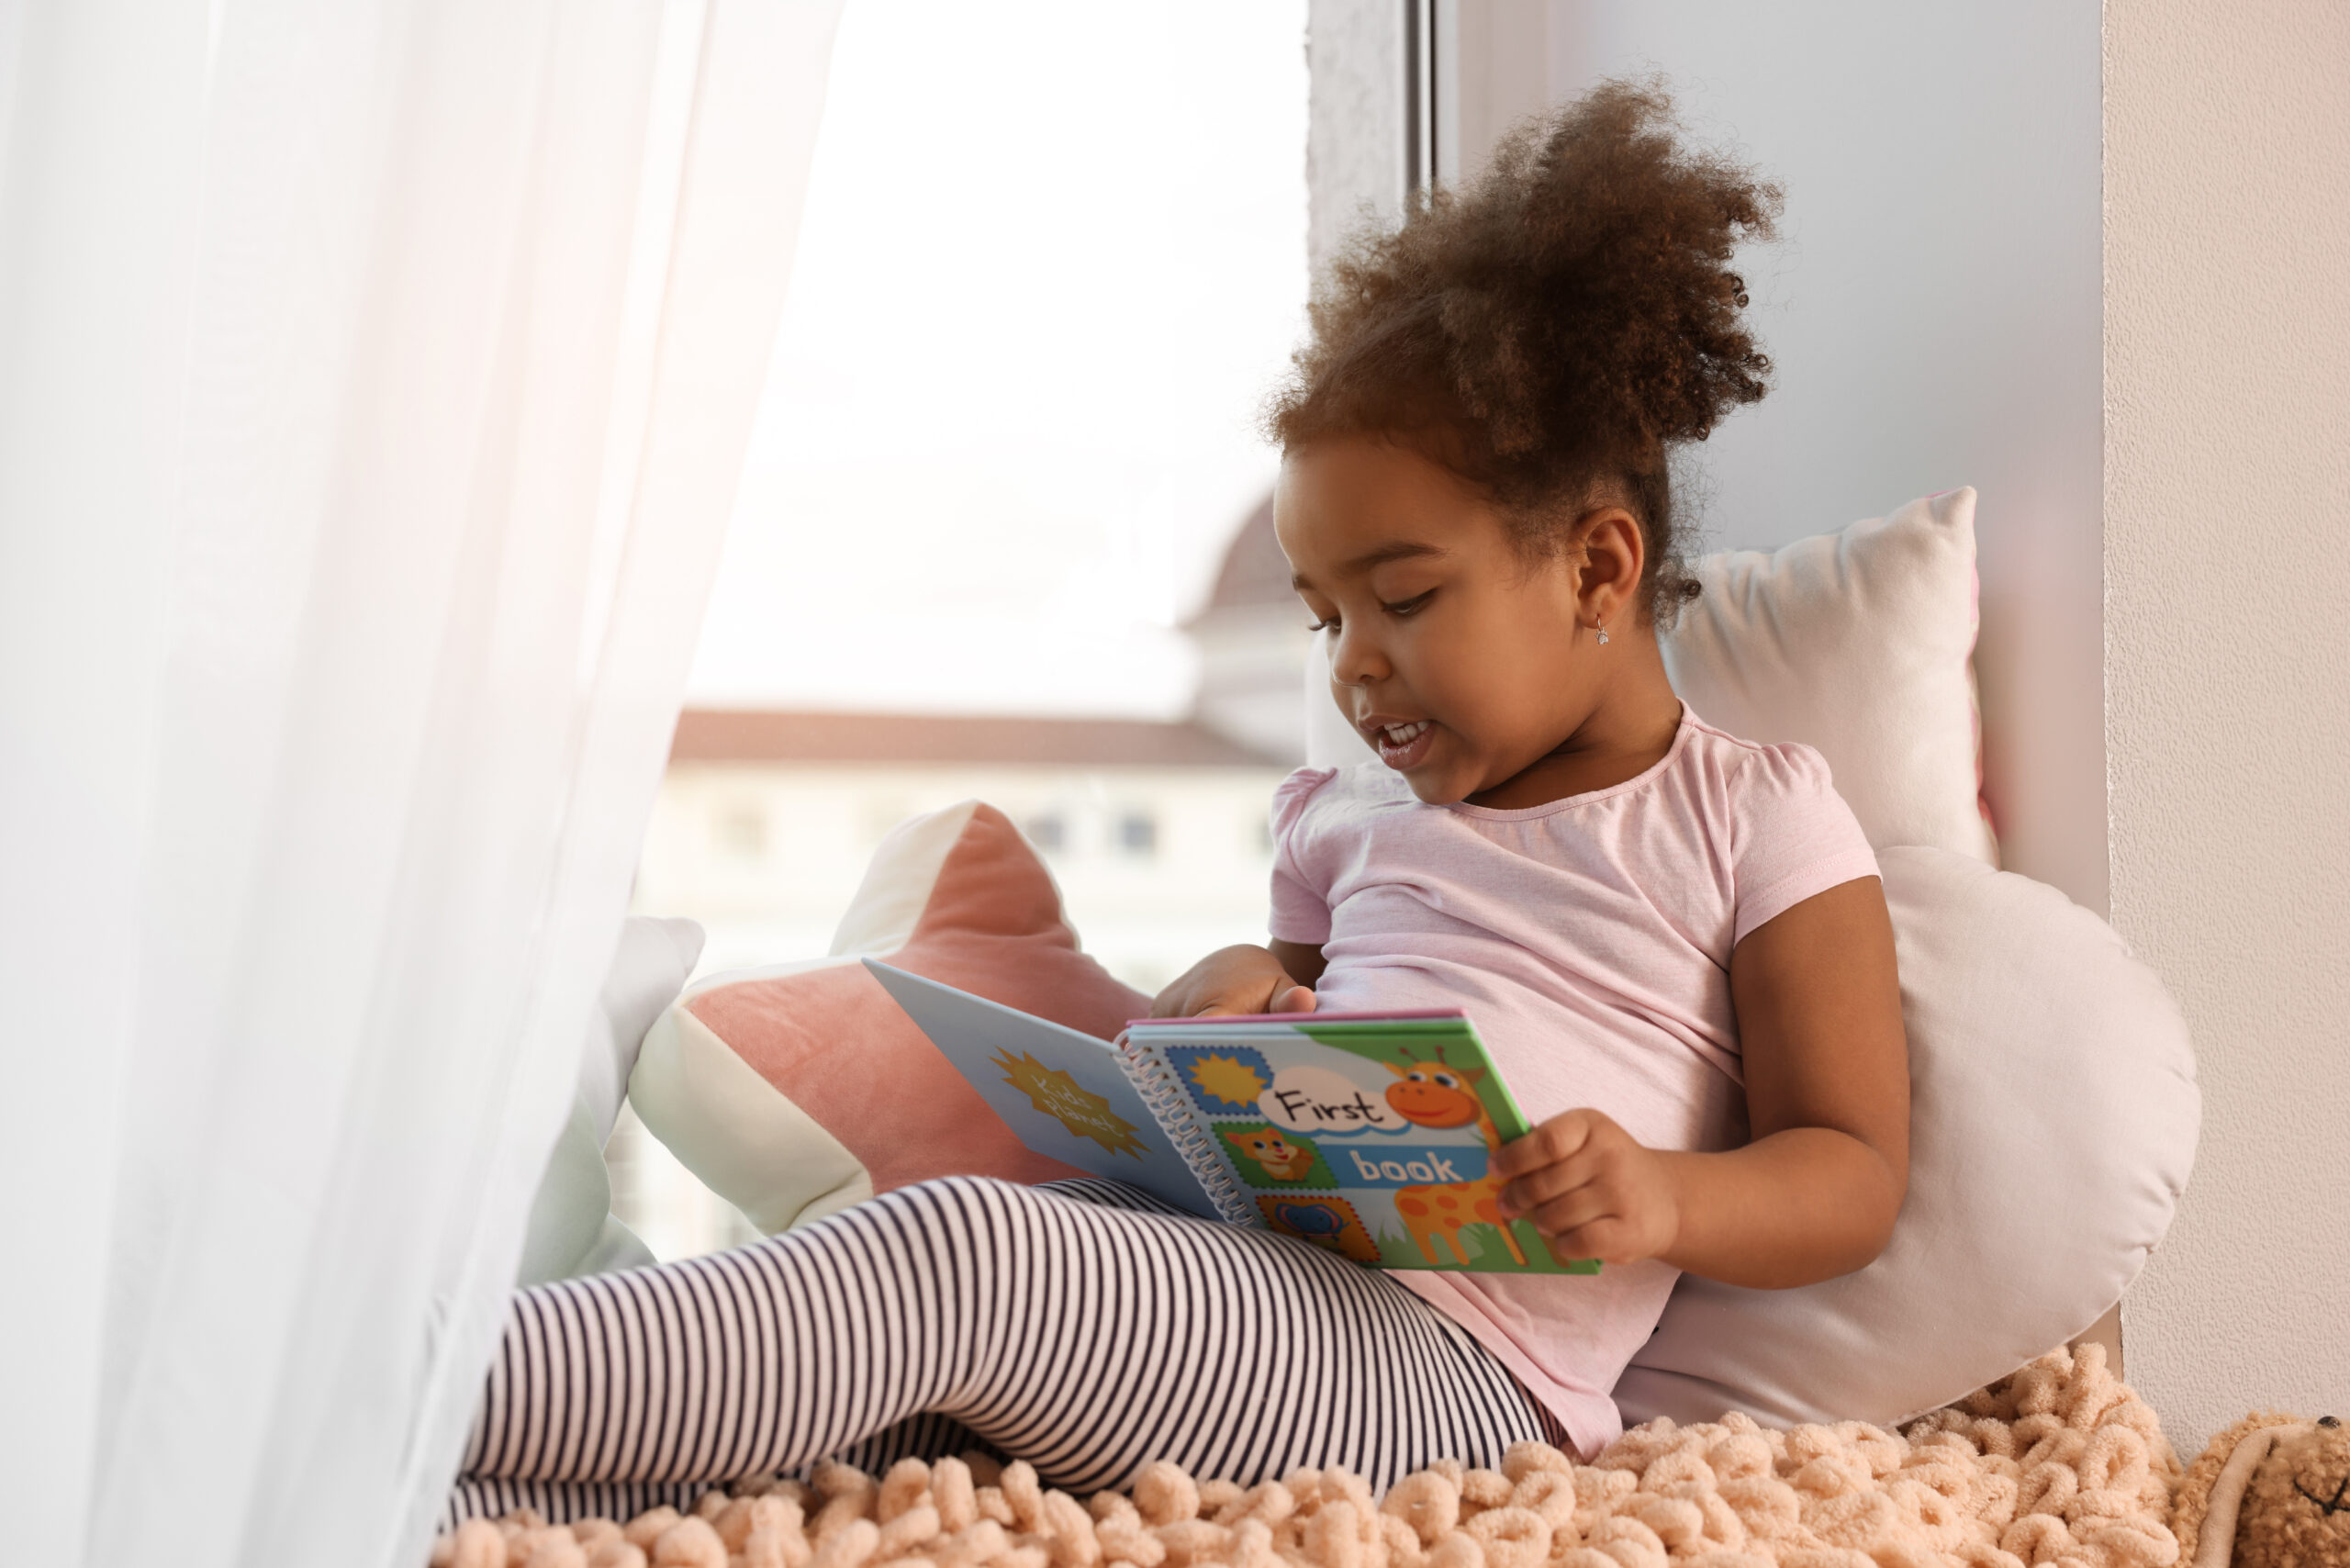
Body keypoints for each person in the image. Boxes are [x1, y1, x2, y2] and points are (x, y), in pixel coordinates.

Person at [448, 81, 1907, 1527]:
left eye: (1403, 598)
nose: (1358, 668)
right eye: (1327, 620)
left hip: (1458, 1376)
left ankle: (372, 1385)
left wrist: (1663, 1197)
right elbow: (1310, 1041)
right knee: (871, 1406)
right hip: (1243, 1289)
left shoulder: (1748, 816)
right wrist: (1236, 994)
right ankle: (395, 1497)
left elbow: (1852, 1171)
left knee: (968, 1255)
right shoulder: (1351, 825)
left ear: (1596, 568)